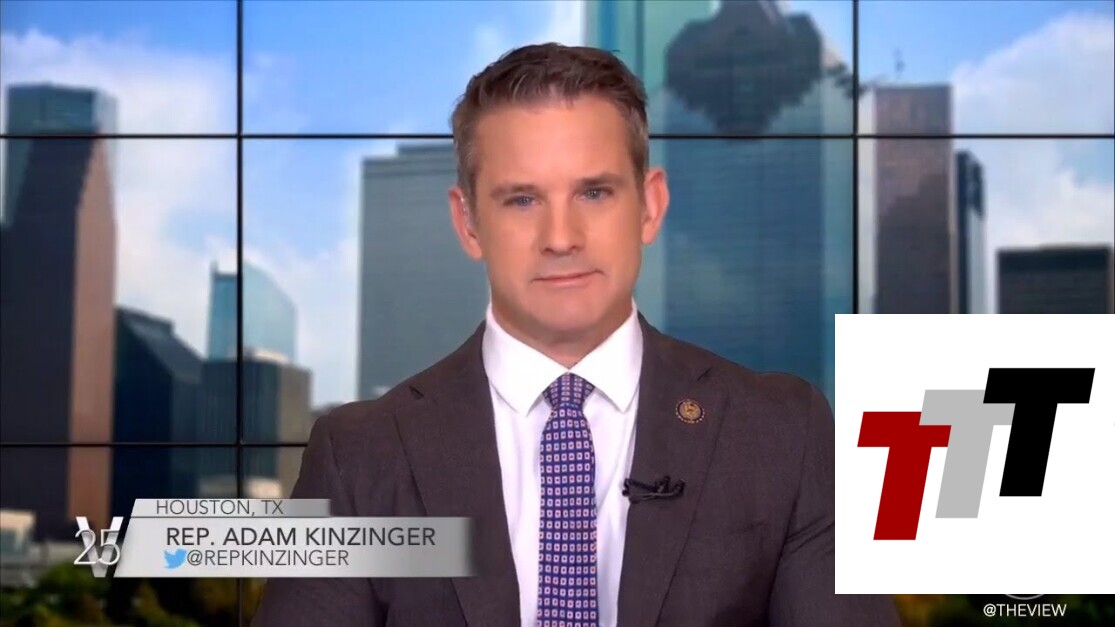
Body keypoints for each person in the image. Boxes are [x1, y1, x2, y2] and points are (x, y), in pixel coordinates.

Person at [253, 43, 899, 627]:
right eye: (522, 199)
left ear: (649, 206)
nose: (560, 238)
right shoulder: (359, 457)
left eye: (593, 193)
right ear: (468, 222)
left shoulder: (782, 435)